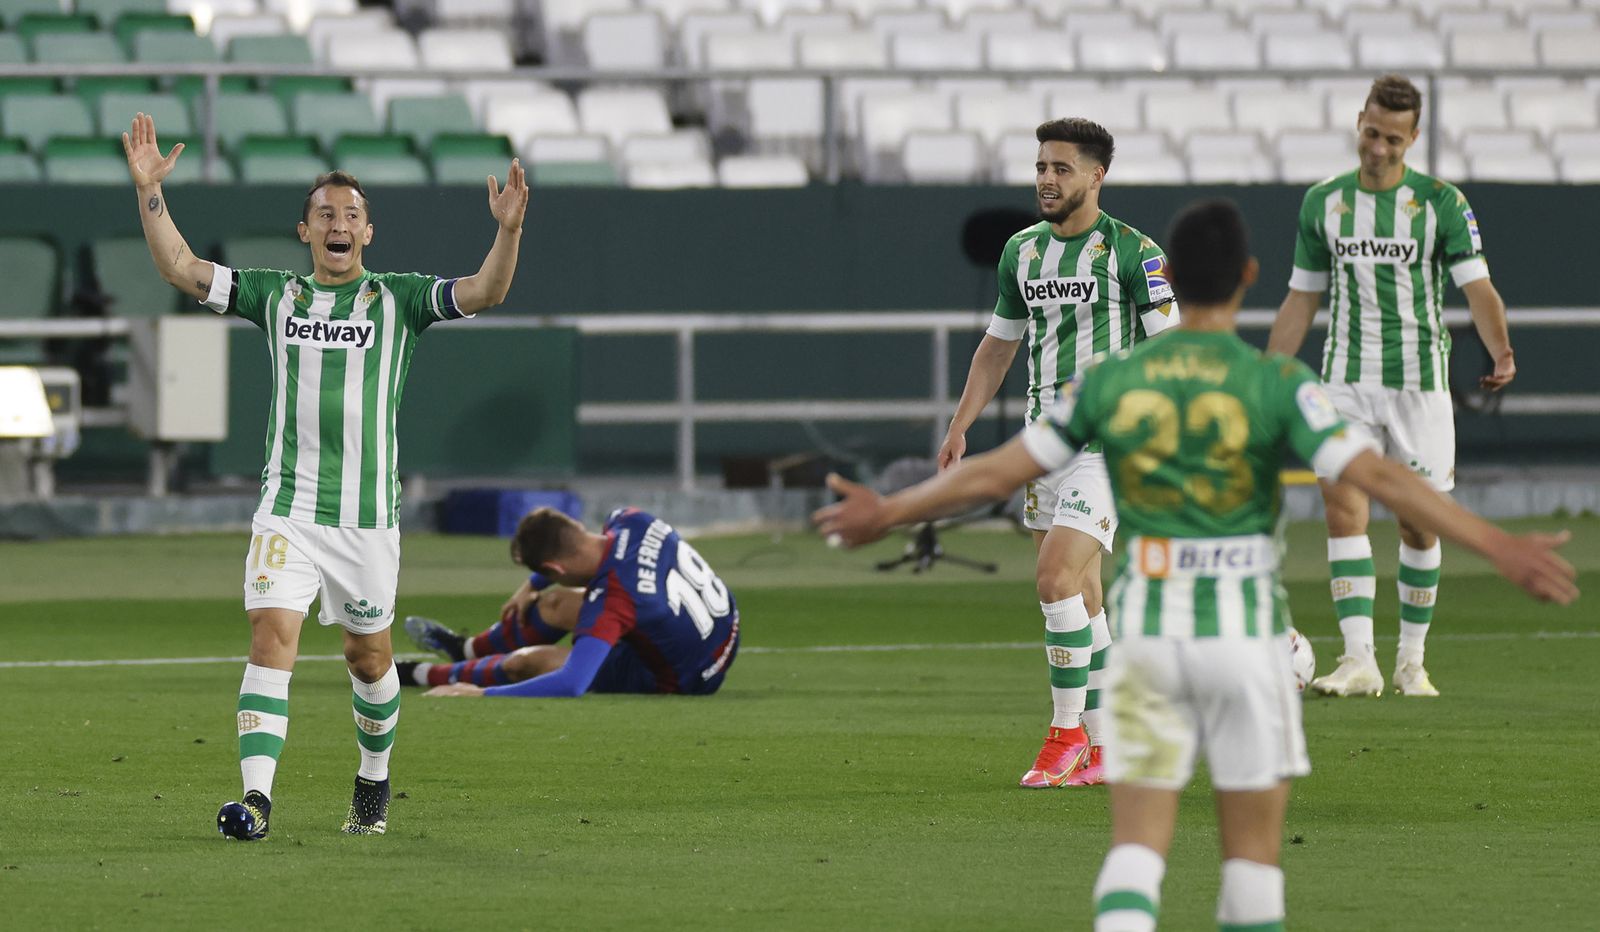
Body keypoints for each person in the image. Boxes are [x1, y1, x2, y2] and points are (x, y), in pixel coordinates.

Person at [816, 199, 1576, 931]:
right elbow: (1384, 480)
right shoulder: (1276, 385)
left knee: (1137, 856)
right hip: (1245, 645)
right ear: (1248, 276)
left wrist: (885, 512)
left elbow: (992, 472)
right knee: (1251, 867)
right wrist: (1500, 546)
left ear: (1168, 274)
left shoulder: (1110, 384)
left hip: (1150, 648)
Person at [122, 112, 529, 840]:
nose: (338, 223)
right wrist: (151, 192)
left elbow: (485, 293)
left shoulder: (399, 299)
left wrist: (508, 230)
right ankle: (256, 802)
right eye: (324, 214)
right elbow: (181, 268)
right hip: (288, 508)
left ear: (366, 233)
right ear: (305, 232)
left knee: (366, 657)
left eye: (351, 214)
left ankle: (373, 781)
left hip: (367, 520)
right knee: (270, 635)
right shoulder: (274, 295)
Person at [939, 118, 1180, 788]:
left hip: (1112, 444)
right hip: (1046, 444)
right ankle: (1105, 747)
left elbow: (1172, 354)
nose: (1047, 179)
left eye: (1061, 169)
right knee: (1082, 595)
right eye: (1042, 166)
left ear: (1096, 176)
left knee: (1052, 579)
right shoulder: (1020, 252)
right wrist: (961, 424)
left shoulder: (1134, 252)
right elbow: (999, 345)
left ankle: (1064, 733)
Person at [1266, 74, 1517, 699]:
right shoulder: (1323, 201)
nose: (1378, 149)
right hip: (1345, 380)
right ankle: (1359, 661)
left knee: (1417, 524)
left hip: (1419, 385)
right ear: (1360, 122)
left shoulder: (1441, 203)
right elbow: (1302, 297)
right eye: (1372, 133)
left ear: (1414, 138)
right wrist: (1268, 373)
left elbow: (1476, 287)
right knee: (1342, 507)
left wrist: (1502, 349)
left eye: (1394, 141)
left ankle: (1411, 661)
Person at [414, 507, 739, 699]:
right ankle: (467, 648)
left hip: (684, 677)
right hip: (723, 631)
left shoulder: (613, 599)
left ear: (556, 569)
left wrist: (483, 694)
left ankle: (420, 674)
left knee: (524, 664)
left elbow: (572, 682)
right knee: (554, 603)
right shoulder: (630, 518)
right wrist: (530, 585)